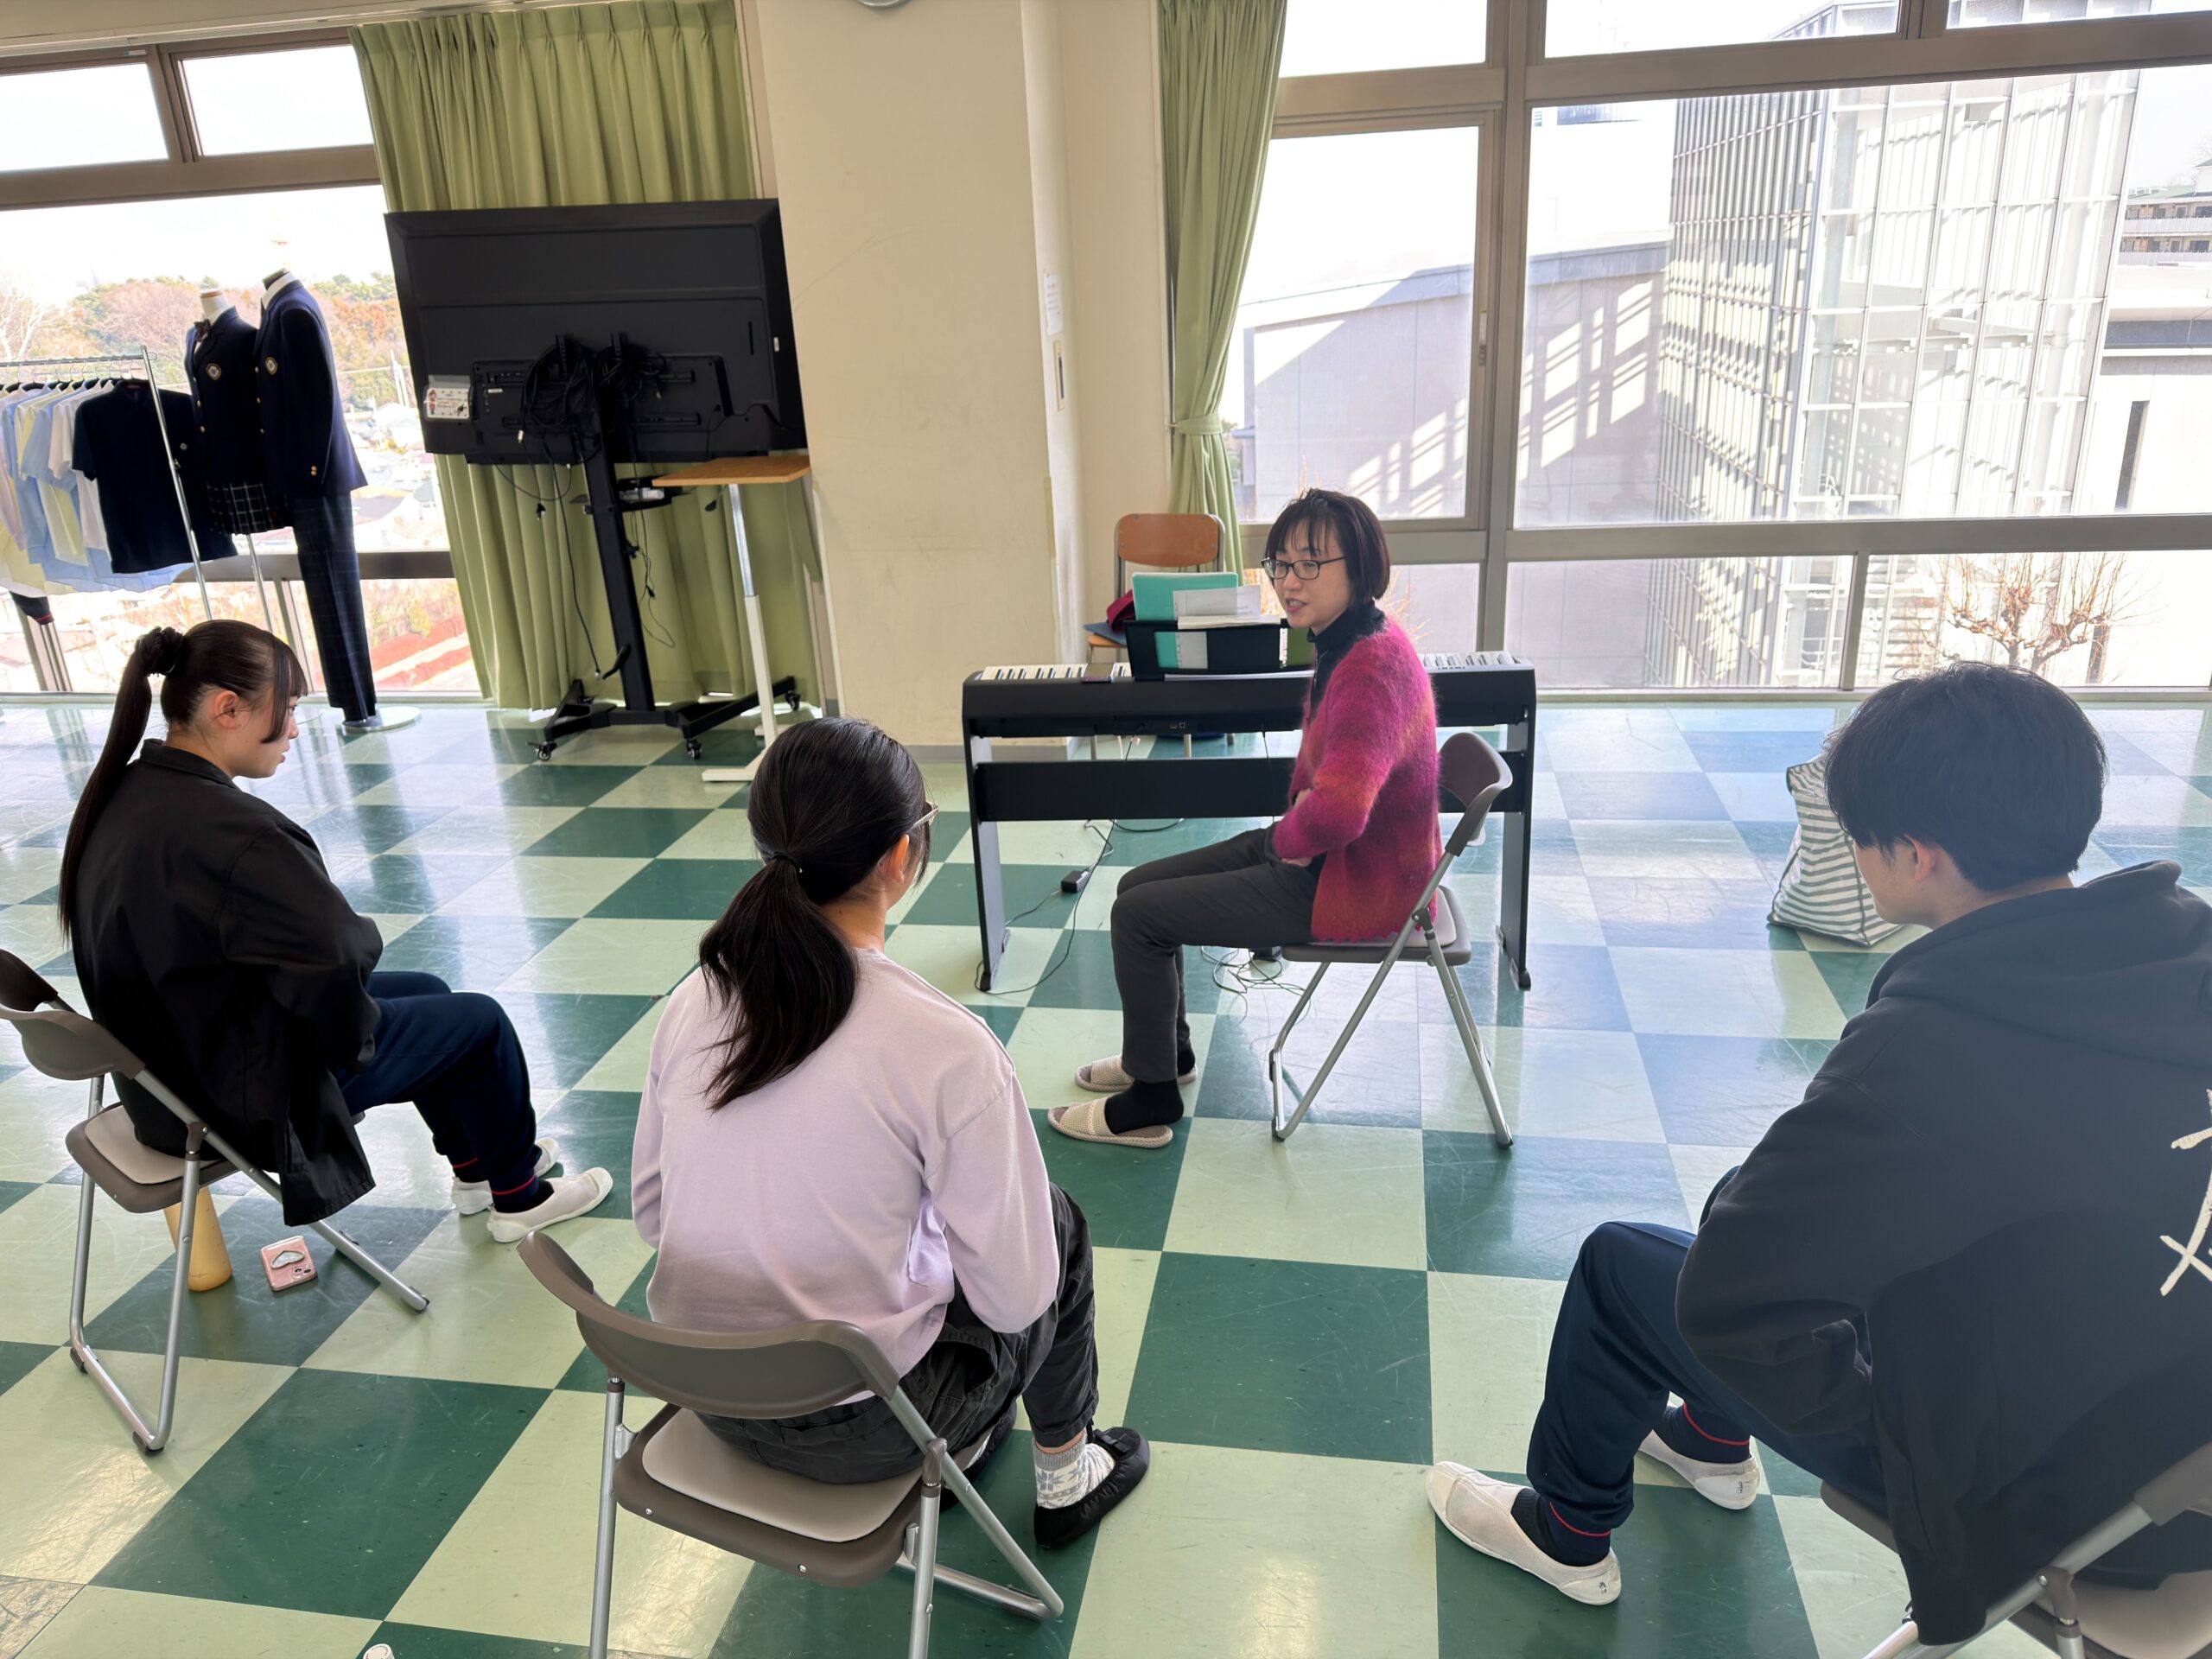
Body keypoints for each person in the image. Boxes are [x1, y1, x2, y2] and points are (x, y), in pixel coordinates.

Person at [1427, 663, 2212, 1636]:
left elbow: (1727, 1305)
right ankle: (1711, 1441)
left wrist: (1890, 1416)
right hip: (2180, 1462)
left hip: (2045, 1502)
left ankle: (1565, 1532)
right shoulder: (2184, 954)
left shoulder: (1929, 1050)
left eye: (1854, 834)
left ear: (1917, 856)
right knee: (1749, 1197)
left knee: (1621, 1268)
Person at [631, 717, 1149, 1545]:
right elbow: (1017, 1299)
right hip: (872, 1433)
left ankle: (978, 1437)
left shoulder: (696, 997)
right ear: (901, 856)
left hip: (712, 1400)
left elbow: (654, 1218)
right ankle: (1065, 1477)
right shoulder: (946, 1047)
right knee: (1056, 1226)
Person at [60, 620, 611, 1240]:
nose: (295, 728)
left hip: (169, 1084)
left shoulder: (128, 793)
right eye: (289, 707)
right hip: (243, 1099)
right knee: (481, 1023)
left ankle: (479, 1171)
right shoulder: (238, 834)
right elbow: (335, 955)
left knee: (428, 989)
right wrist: (355, 1040)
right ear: (228, 709)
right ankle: (519, 1198)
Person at [1052, 488, 1442, 1148]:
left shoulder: (1371, 665)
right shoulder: (1350, 639)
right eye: (1280, 564)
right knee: (1136, 887)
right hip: (1335, 858)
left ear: (1360, 566)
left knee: (1139, 918)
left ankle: (1151, 1100)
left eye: (1310, 563)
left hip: (1356, 883)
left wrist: (1292, 836)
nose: (1289, 581)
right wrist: (1297, 829)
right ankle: (1165, 1057)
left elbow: (1341, 811)